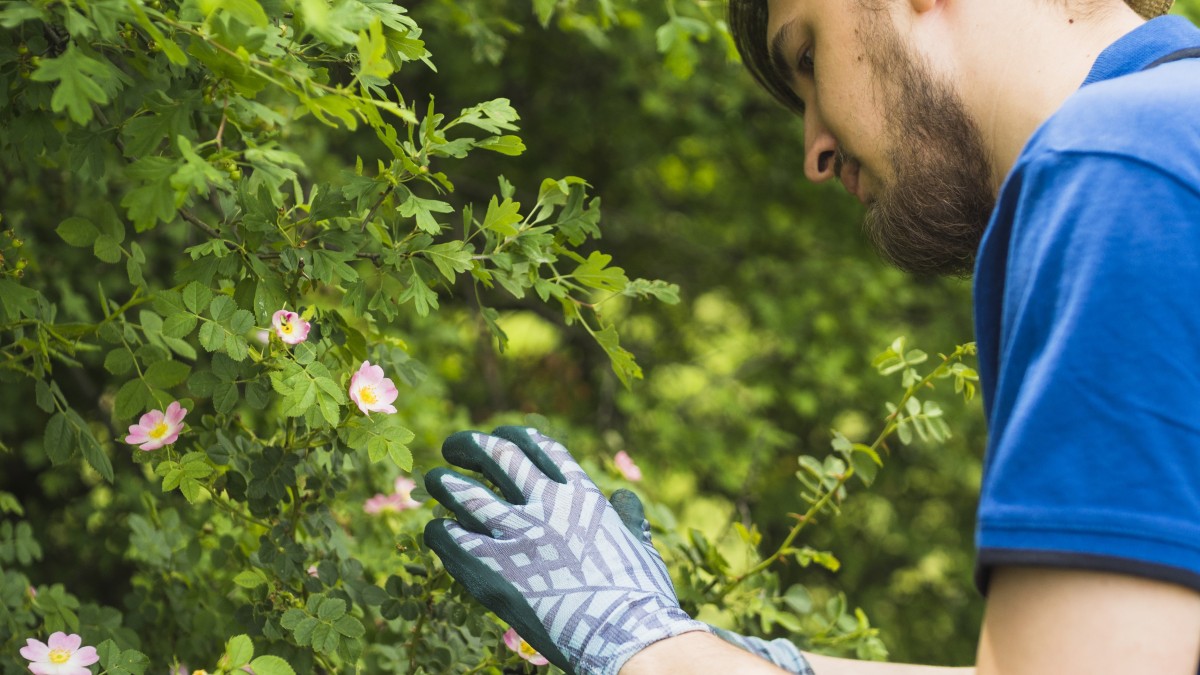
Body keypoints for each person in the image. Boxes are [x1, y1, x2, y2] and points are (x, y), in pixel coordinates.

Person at [422, 0, 1200, 672]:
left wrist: (644, 645)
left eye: (806, 54)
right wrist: (719, 652)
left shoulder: (1114, 171)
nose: (815, 153)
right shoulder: (1168, 137)